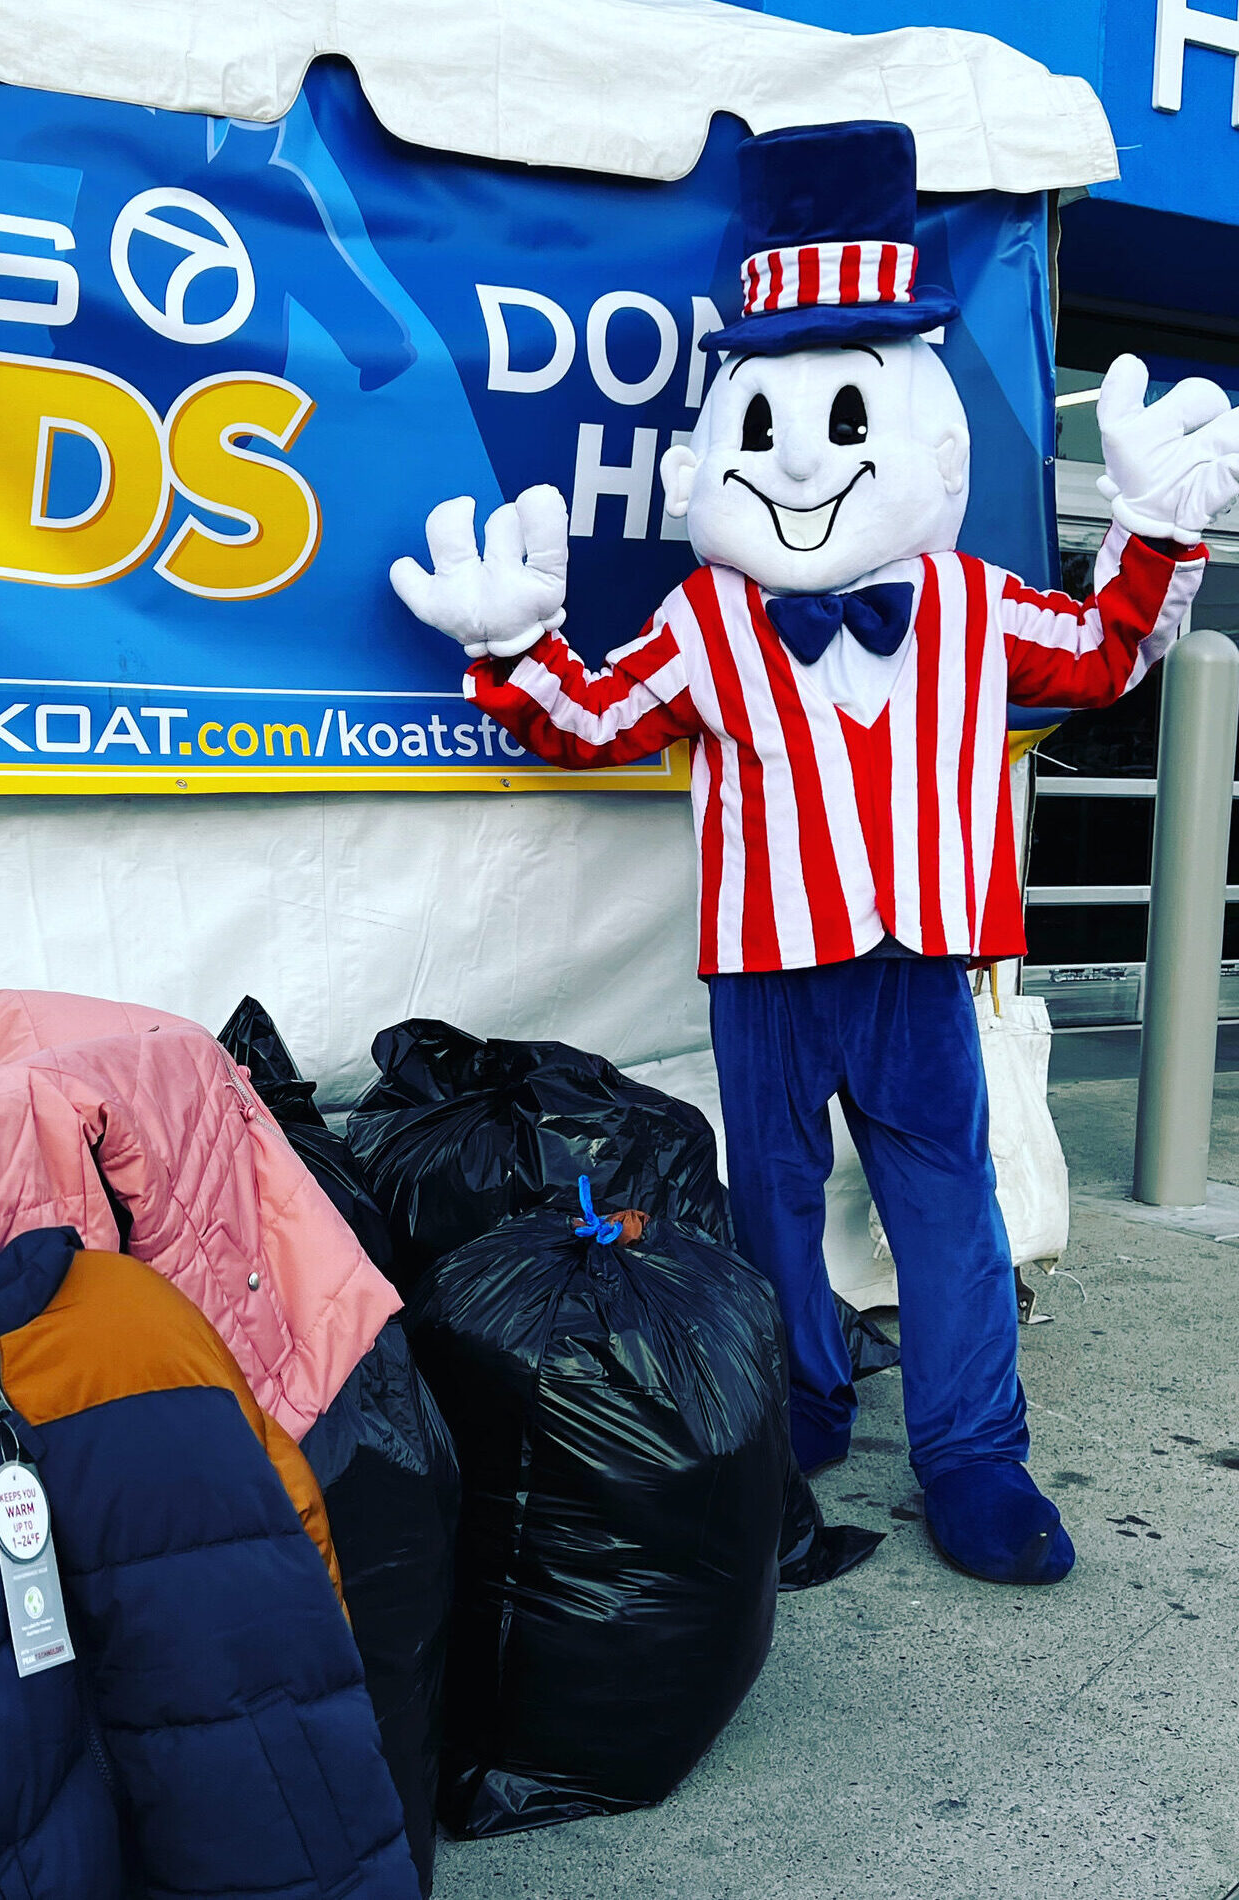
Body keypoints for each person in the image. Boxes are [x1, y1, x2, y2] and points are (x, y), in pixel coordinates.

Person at [388, 121, 1239, 1585]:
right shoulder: (711, 622)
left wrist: (1157, 536)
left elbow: (1101, 658)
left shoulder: (969, 602)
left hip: (914, 967)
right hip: (766, 971)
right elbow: (595, 723)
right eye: (767, 430)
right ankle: (800, 1401)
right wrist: (517, 643)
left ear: (917, 419)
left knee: (946, 1207)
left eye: (844, 424)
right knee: (773, 1198)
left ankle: (975, 1452)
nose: (797, 467)